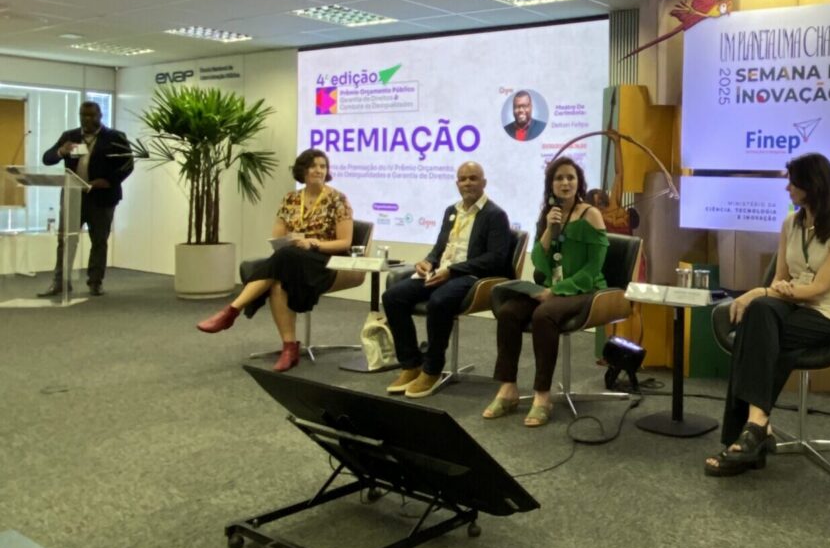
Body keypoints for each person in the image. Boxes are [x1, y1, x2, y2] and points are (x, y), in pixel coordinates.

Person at [704, 153, 830, 477]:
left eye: (792, 181)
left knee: (758, 331)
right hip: (792, 304)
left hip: (829, 310)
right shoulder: (789, 224)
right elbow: (781, 279)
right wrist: (766, 293)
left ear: (812, 185)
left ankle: (748, 436)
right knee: (761, 317)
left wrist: (757, 292)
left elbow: (818, 288)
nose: (787, 188)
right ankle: (755, 428)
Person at [195, 149, 353, 372]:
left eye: (323, 166)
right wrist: (292, 241)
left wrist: (312, 243)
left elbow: (344, 243)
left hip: (325, 259)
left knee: (285, 258)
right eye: (314, 166)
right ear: (303, 170)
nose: (319, 170)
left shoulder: (338, 199)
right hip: (292, 259)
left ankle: (232, 310)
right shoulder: (290, 199)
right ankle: (289, 347)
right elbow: (278, 237)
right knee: (280, 279)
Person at [484, 157, 609, 426]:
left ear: (579, 183)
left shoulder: (591, 215)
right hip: (551, 288)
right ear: (550, 184)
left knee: (544, 315)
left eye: (570, 178)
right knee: (508, 312)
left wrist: (557, 290)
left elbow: (592, 268)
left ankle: (542, 395)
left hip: (584, 289)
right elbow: (540, 265)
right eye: (559, 178)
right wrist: (548, 232)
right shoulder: (548, 214)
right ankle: (508, 388)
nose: (565, 183)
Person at [381, 161, 513, 398]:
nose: (467, 183)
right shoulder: (451, 211)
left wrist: (452, 271)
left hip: (472, 277)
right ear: (457, 183)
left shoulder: (495, 215)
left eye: (473, 178)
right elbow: (440, 247)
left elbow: (495, 259)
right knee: (392, 297)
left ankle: (432, 369)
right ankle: (411, 365)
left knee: (439, 301)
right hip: (441, 272)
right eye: (463, 179)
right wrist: (428, 262)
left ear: (483, 182)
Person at [38, 101, 133, 297]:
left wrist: (108, 181)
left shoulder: (114, 137)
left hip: (102, 197)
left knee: (99, 240)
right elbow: (47, 159)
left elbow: (127, 164)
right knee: (66, 240)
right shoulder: (70, 136)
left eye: (91, 115)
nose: (86, 119)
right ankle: (60, 282)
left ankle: (95, 282)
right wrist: (61, 151)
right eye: (83, 115)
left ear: (100, 116)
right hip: (73, 196)